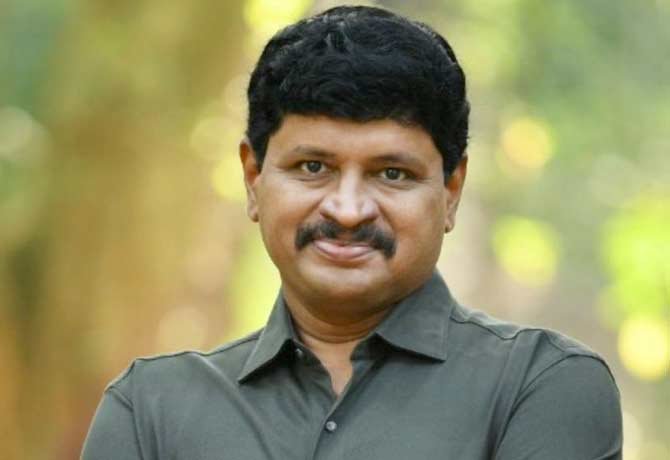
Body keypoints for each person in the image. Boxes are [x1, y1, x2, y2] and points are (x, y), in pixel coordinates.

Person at [81, 5, 622, 459]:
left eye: (393, 174)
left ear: (451, 190)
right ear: (253, 178)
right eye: (313, 167)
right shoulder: (150, 410)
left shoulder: (540, 386)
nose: (347, 210)